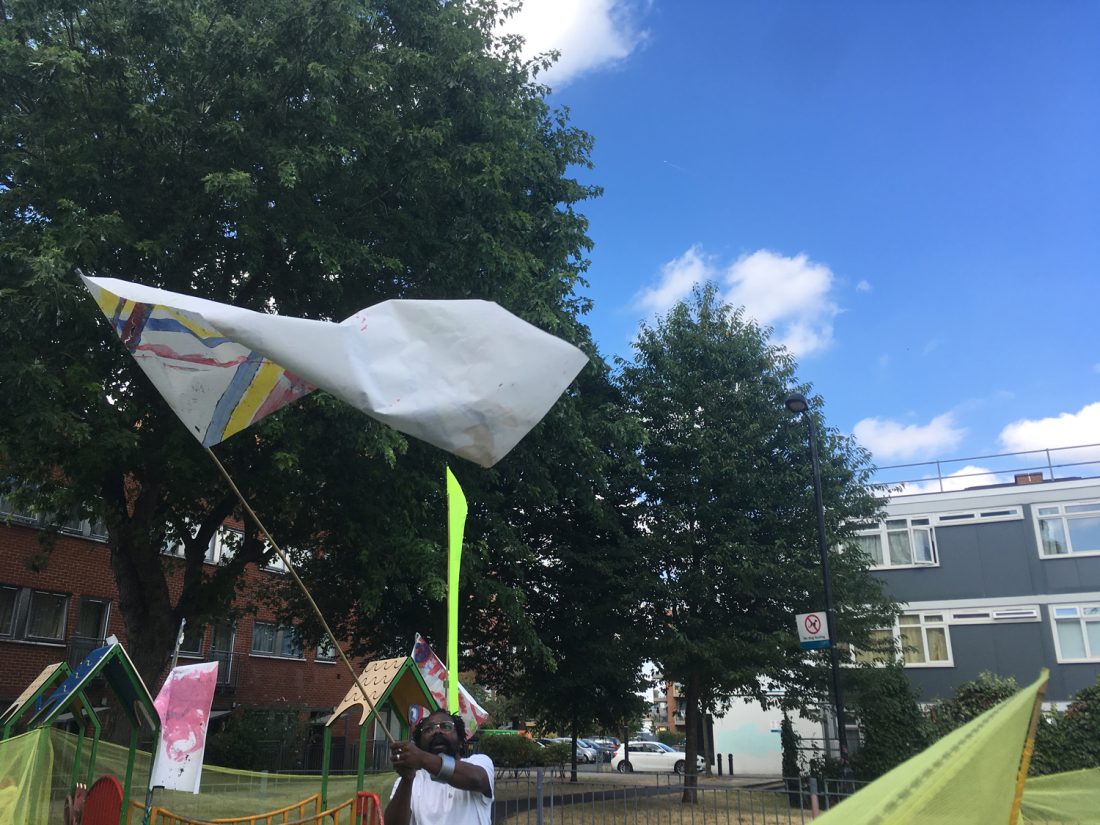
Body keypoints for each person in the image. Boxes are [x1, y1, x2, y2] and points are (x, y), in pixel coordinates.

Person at [384, 710, 494, 825]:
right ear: (419, 744)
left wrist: (422, 759)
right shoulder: (413, 781)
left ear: (461, 741)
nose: (437, 731)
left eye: (446, 726)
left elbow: (477, 779)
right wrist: (407, 779)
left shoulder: (479, 762)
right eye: (429, 729)